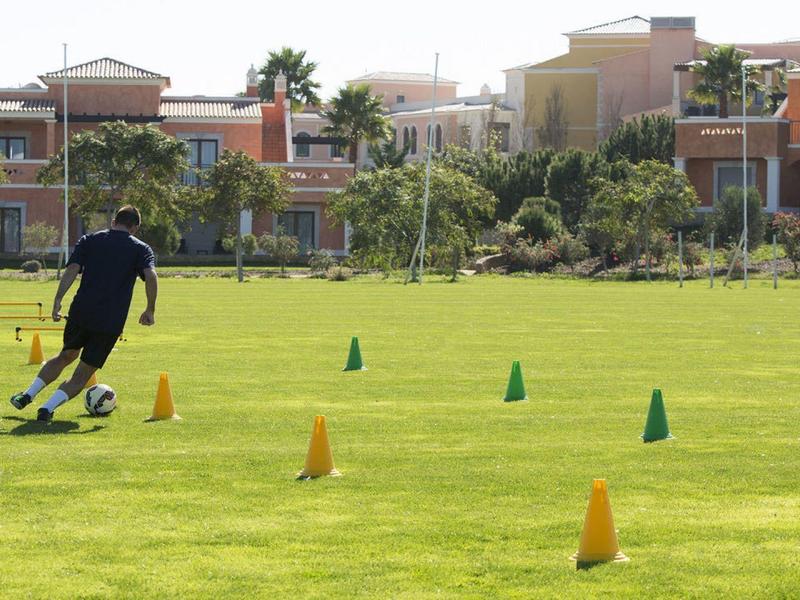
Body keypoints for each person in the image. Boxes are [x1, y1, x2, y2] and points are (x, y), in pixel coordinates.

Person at [10, 205, 158, 422]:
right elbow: (151, 275)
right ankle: (47, 408)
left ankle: (27, 395)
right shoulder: (141, 249)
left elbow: (72, 270)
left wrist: (58, 300)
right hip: (110, 320)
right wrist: (150, 309)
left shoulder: (89, 240)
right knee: (83, 373)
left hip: (81, 311)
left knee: (65, 356)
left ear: (113, 221)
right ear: (135, 227)